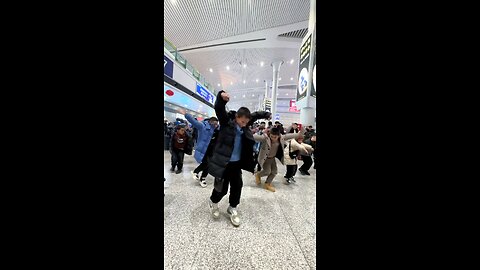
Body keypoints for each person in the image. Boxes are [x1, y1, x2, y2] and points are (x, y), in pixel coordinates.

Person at [207, 90, 270, 227]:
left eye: (246, 122)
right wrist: (221, 98)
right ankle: (213, 202)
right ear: (236, 117)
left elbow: (255, 115)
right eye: (241, 121)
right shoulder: (226, 123)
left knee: (237, 186)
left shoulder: (245, 124)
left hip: (236, 164)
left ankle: (232, 208)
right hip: (224, 163)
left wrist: (266, 115)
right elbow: (219, 108)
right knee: (221, 189)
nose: (243, 124)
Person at [253, 126, 302, 192]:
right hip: (265, 159)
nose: (273, 138)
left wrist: (300, 133)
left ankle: (267, 184)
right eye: (271, 136)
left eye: (275, 137)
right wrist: (245, 133)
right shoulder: (265, 138)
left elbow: (290, 135)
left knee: (274, 172)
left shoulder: (281, 138)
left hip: (272, 159)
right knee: (267, 171)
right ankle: (258, 175)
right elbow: (254, 137)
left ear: (278, 136)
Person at [183, 112, 219, 188]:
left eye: (217, 124)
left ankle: (202, 178)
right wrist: (186, 114)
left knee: (208, 165)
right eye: (215, 124)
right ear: (210, 122)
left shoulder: (216, 130)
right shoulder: (203, 126)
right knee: (207, 163)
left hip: (212, 150)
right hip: (203, 150)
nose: (216, 125)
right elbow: (194, 121)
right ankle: (196, 172)